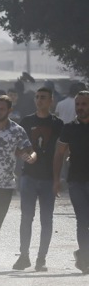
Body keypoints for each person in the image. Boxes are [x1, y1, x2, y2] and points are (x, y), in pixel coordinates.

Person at [0, 94, 36, 271]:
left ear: (10, 110)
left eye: (2, 109)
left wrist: (30, 157)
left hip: (5, 184)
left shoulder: (17, 131)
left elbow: (29, 150)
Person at [13, 87, 64, 271]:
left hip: (49, 178)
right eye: (37, 97)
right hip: (29, 177)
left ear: (51, 101)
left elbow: (63, 150)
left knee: (46, 220)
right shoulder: (26, 121)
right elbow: (16, 146)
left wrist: (58, 178)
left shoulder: (58, 124)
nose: (39, 100)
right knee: (26, 218)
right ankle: (24, 256)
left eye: (43, 97)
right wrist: (23, 155)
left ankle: (41, 259)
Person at [53, 90, 89, 274]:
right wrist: (56, 179)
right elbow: (59, 153)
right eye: (78, 104)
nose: (80, 108)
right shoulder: (69, 127)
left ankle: (84, 255)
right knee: (82, 221)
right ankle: (85, 257)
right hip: (76, 181)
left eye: (84, 104)